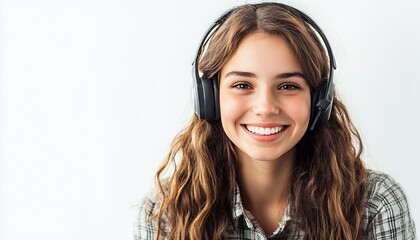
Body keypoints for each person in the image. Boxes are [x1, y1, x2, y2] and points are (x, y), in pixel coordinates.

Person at [134, 2, 416, 239]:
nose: (265, 108)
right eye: (242, 85)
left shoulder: (376, 204)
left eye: (288, 86)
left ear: (319, 100)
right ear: (209, 98)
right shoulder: (166, 211)